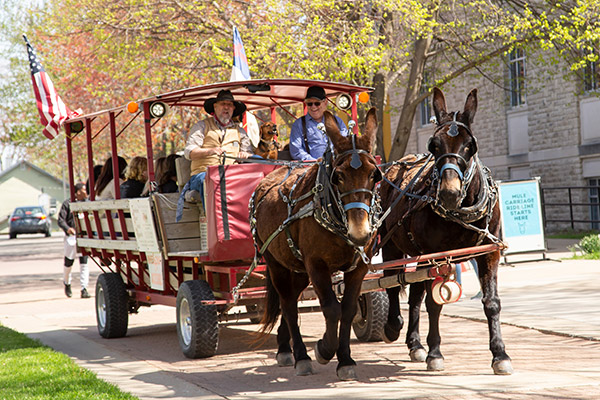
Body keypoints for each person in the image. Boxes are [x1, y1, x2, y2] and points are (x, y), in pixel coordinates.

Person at [181, 89, 253, 205]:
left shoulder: (240, 131)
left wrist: (245, 155)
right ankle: (214, 221)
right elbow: (189, 152)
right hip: (203, 174)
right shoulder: (201, 126)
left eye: (229, 105)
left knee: (251, 179)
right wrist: (209, 151)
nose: (226, 107)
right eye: (223, 104)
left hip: (231, 174)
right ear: (215, 107)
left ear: (234, 109)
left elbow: (249, 153)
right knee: (211, 181)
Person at [289, 85, 348, 161]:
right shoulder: (298, 124)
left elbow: (346, 145)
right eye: (309, 104)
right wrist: (316, 162)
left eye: (317, 103)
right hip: (312, 168)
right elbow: (296, 151)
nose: (313, 107)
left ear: (325, 102)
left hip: (336, 166)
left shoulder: (338, 122)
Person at [58, 183, 90, 298]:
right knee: (69, 262)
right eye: (84, 190)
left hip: (83, 236)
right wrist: (68, 229)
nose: (86, 192)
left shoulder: (87, 203)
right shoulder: (68, 204)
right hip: (71, 238)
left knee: (84, 262)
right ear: (77, 192)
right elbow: (61, 220)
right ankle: (67, 282)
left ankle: (84, 288)